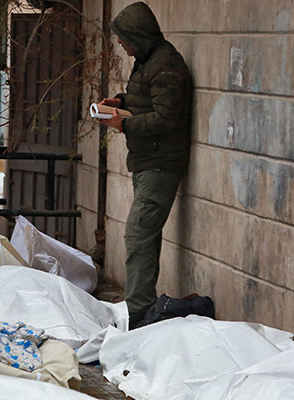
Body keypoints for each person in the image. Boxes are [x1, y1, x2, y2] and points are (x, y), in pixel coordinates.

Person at [98, 2, 192, 329]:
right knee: (143, 235)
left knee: (138, 235)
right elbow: (148, 98)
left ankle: (138, 311)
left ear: (138, 34)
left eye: (124, 39)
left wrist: (123, 124)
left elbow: (165, 117)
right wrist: (120, 103)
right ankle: (139, 305)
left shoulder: (166, 64)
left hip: (160, 164)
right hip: (145, 161)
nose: (121, 46)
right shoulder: (148, 60)